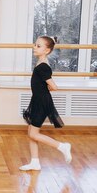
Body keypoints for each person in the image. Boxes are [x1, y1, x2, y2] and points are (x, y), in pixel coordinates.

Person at [19, 36, 72, 171]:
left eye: (38, 46)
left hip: (41, 102)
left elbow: (54, 87)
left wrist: (43, 91)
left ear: (47, 50)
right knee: (31, 131)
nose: (34, 47)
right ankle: (35, 162)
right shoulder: (41, 63)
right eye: (35, 45)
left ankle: (62, 146)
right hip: (37, 100)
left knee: (34, 134)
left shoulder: (43, 67)